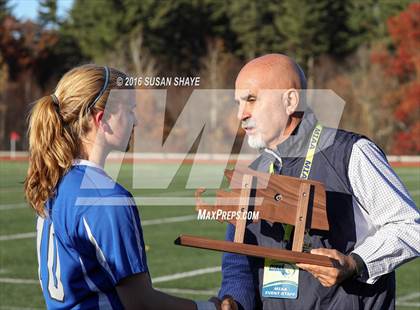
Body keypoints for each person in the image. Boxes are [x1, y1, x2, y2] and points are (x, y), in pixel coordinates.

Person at [216, 54, 420, 309]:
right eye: (238, 103)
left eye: (251, 99)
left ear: (290, 101)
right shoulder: (252, 175)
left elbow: (409, 227)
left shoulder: (351, 152)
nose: (240, 114)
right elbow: (238, 259)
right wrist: (234, 301)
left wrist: (355, 263)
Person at [24, 64, 223, 309]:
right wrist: (210, 308)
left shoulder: (54, 181)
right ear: (102, 119)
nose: (136, 120)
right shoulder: (105, 197)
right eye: (129, 109)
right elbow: (140, 303)